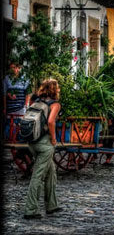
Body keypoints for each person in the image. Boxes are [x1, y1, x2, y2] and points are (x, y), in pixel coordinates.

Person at [24, 78, 62, 219]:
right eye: (57, 88)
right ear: (54, 89)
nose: (59, 90)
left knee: (51, 172)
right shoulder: (55, 104)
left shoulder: (36, 101)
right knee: (37, 176)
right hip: (45, 144)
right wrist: (53, 139)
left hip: (32, 141)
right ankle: (31, 209)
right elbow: (51, 122)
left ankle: (52, 205)